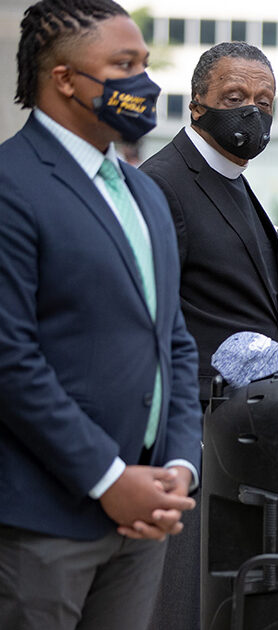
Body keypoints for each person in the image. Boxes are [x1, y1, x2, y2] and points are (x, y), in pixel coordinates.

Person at [0, 1, 202, 628]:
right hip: (43, 521)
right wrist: (108, 478)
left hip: (146, 515)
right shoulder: (11, 184)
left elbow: (173, 339)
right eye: (124, 65)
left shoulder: (143, 190)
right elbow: (11, 357)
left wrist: (176, 467)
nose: (144, 82)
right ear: (63, 79)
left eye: (144, 63)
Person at [138, 40, 278, 630]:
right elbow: (153, 317)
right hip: (190, 430)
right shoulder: (164, 183)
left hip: (240, 427)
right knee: (181, 600)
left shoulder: (236, 180)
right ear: (197, 105)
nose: (252, 112)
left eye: (264, 101)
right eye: (235, 97)